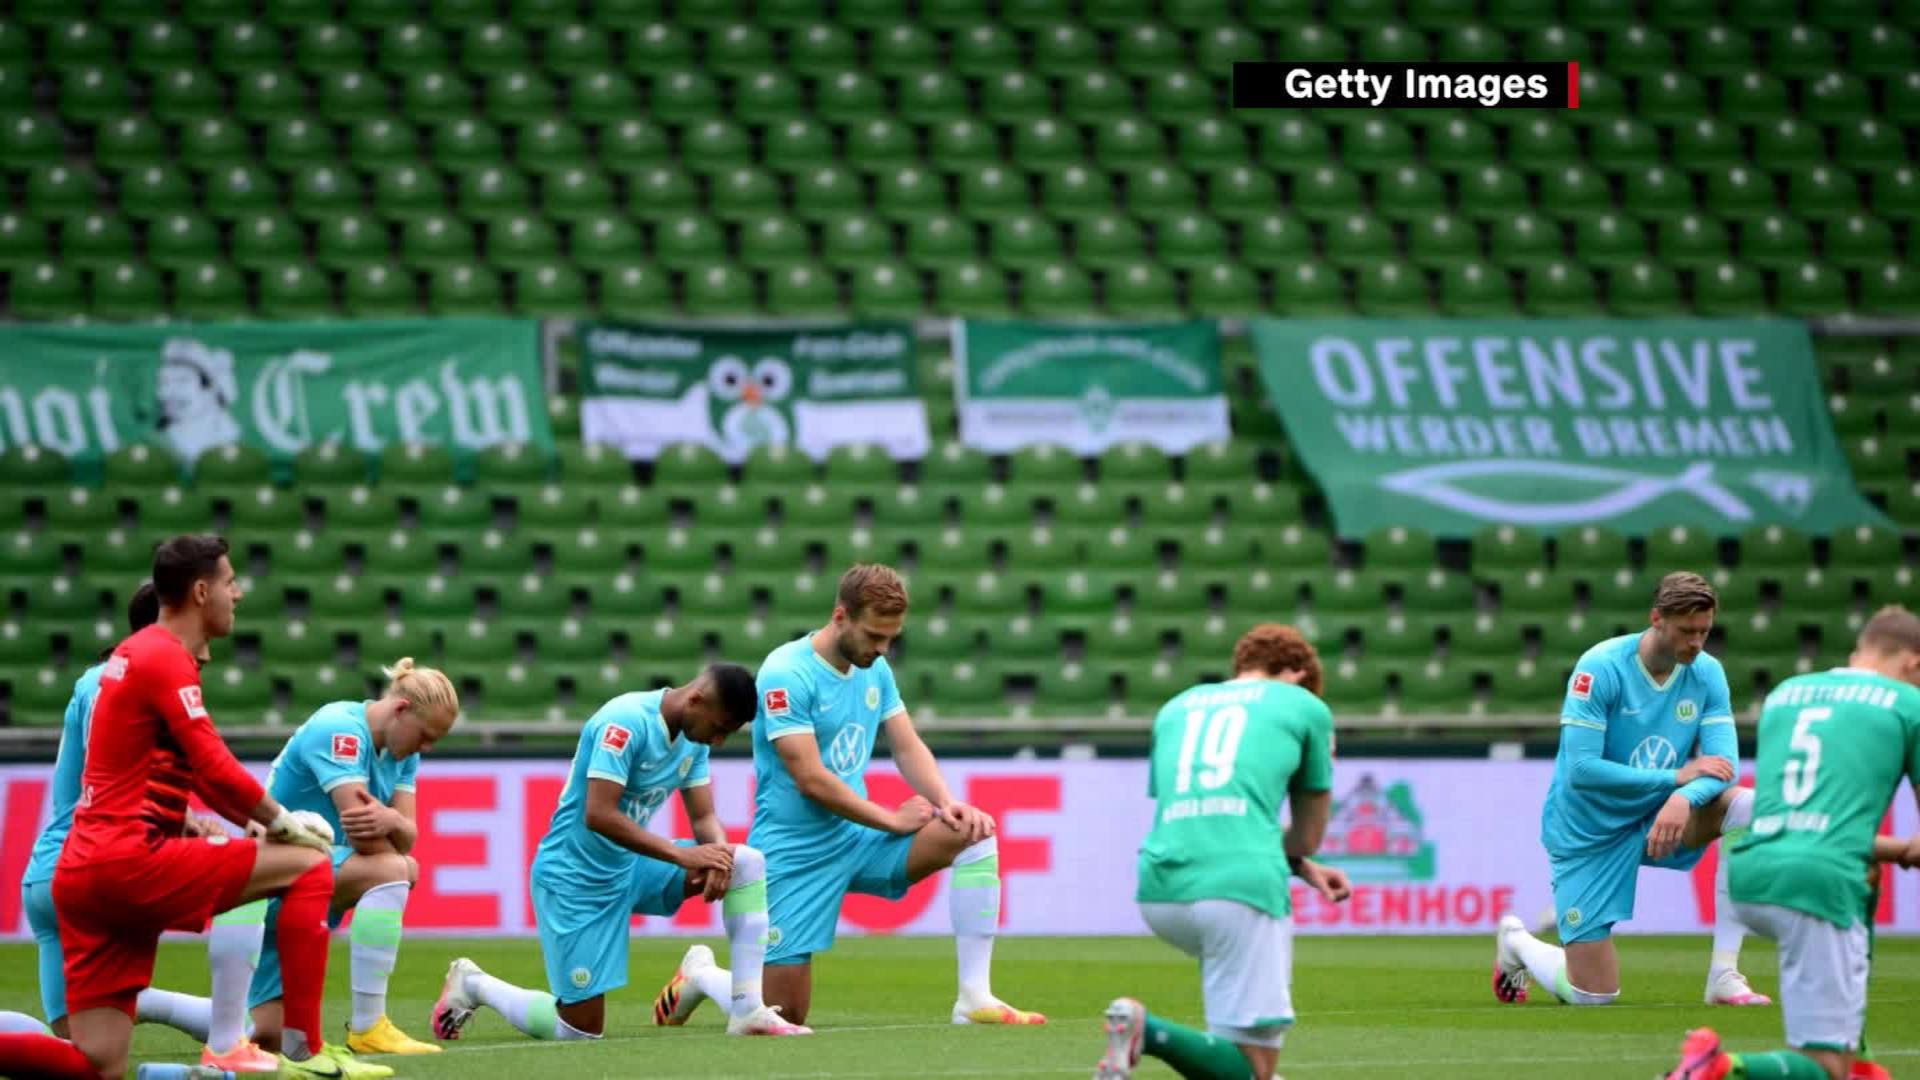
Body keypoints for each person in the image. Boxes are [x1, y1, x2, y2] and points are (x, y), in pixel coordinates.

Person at [10, 535, 389, 1080]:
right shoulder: (163, 655)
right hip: (126, 861)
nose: (238, 594)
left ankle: (212, 1067)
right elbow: (213, 765)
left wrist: (234, 823)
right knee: (307, 867)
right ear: (201, 590)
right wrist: (280, 822)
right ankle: (305, 1053)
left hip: (83, 870)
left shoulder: (132, 657)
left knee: (98, 1064)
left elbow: (189, 774)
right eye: (231, 582)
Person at [720, 563, 1043, 1029]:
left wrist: (944, 799)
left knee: (974, 831)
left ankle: (974, 997)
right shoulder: (786, 673)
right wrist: (890, 820)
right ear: (840, 617)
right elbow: (809, 778)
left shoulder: (875, 670)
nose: (883, 648)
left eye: (891, 637)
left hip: (858, 840)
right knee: (779, 1018)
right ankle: (705, 976)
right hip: (795, 851)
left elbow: (906, 744)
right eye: (874, 636)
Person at [431, 663, 805, 1042]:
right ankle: (474, 984)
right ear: (696, 699)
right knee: (578, 1031)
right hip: (575, 878)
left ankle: (743, 1009)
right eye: (720, 728)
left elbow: (704, 815)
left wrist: (720, 858)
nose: (719, 741)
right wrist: (683, 857)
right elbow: (599, 814)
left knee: (746, 862)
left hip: (632, 867)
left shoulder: (694, 739)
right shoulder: (625, 721)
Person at [18, 582, 279, 1074]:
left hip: (47, 872)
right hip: (93, 863)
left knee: (80, 1051)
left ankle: (208, 1037)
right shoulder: (119, 677)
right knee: (254, 875)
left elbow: (109, 773)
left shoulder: (107, 677)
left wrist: (180, 820)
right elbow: (114, 778)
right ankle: (225, 1040)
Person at [1665, 605, 1920, 1080]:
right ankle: (1719, 1067)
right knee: (1823, 1068)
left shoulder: (1787, 694)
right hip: (1816, 883)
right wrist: (1907, 849)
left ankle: (1856, 1052)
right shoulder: (1908, 706)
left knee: (1865, 870)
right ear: (1913, 664)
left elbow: (1806, 819)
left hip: (1751, 870)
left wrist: (1894, 851)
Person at [1494, 571, 1766, 1008]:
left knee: (1746, 806)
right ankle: (1518, 943)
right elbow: (1582, 769)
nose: (1696, 642)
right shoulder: (1601, 667)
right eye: (1686, 631)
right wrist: (1673, 779)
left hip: (1661, 816)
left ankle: (1724, 974)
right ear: (1656, 619)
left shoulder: (1708, 673)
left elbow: (1723, 767)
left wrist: (1681, 798)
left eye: (1705, 631)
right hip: (1589, 829)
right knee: (1591, 996)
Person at [1093, 623, 1353, 1080]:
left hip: (1160, 891)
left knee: (1237, 1056)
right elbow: (1308, 834)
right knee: (1254, 1070)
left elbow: (1197, 813)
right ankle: (1145, 1029)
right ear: (1295, 672)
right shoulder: (1304, 706)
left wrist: (1297, 866)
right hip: (1239, 891)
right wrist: (1295, 855)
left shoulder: (1177, 707)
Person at [220, 657, 459, 1057]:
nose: (428, 747)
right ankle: (369, 1025)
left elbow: (407, 834)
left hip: (312, 875)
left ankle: (155, 1008)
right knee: (395, 869)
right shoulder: (341, 730)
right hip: (273, 877)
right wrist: (392, 826)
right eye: (426, 735)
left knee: (268, 1038)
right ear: (400, 710)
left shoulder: (403, 754)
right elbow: (370, 839)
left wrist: (389, 821)